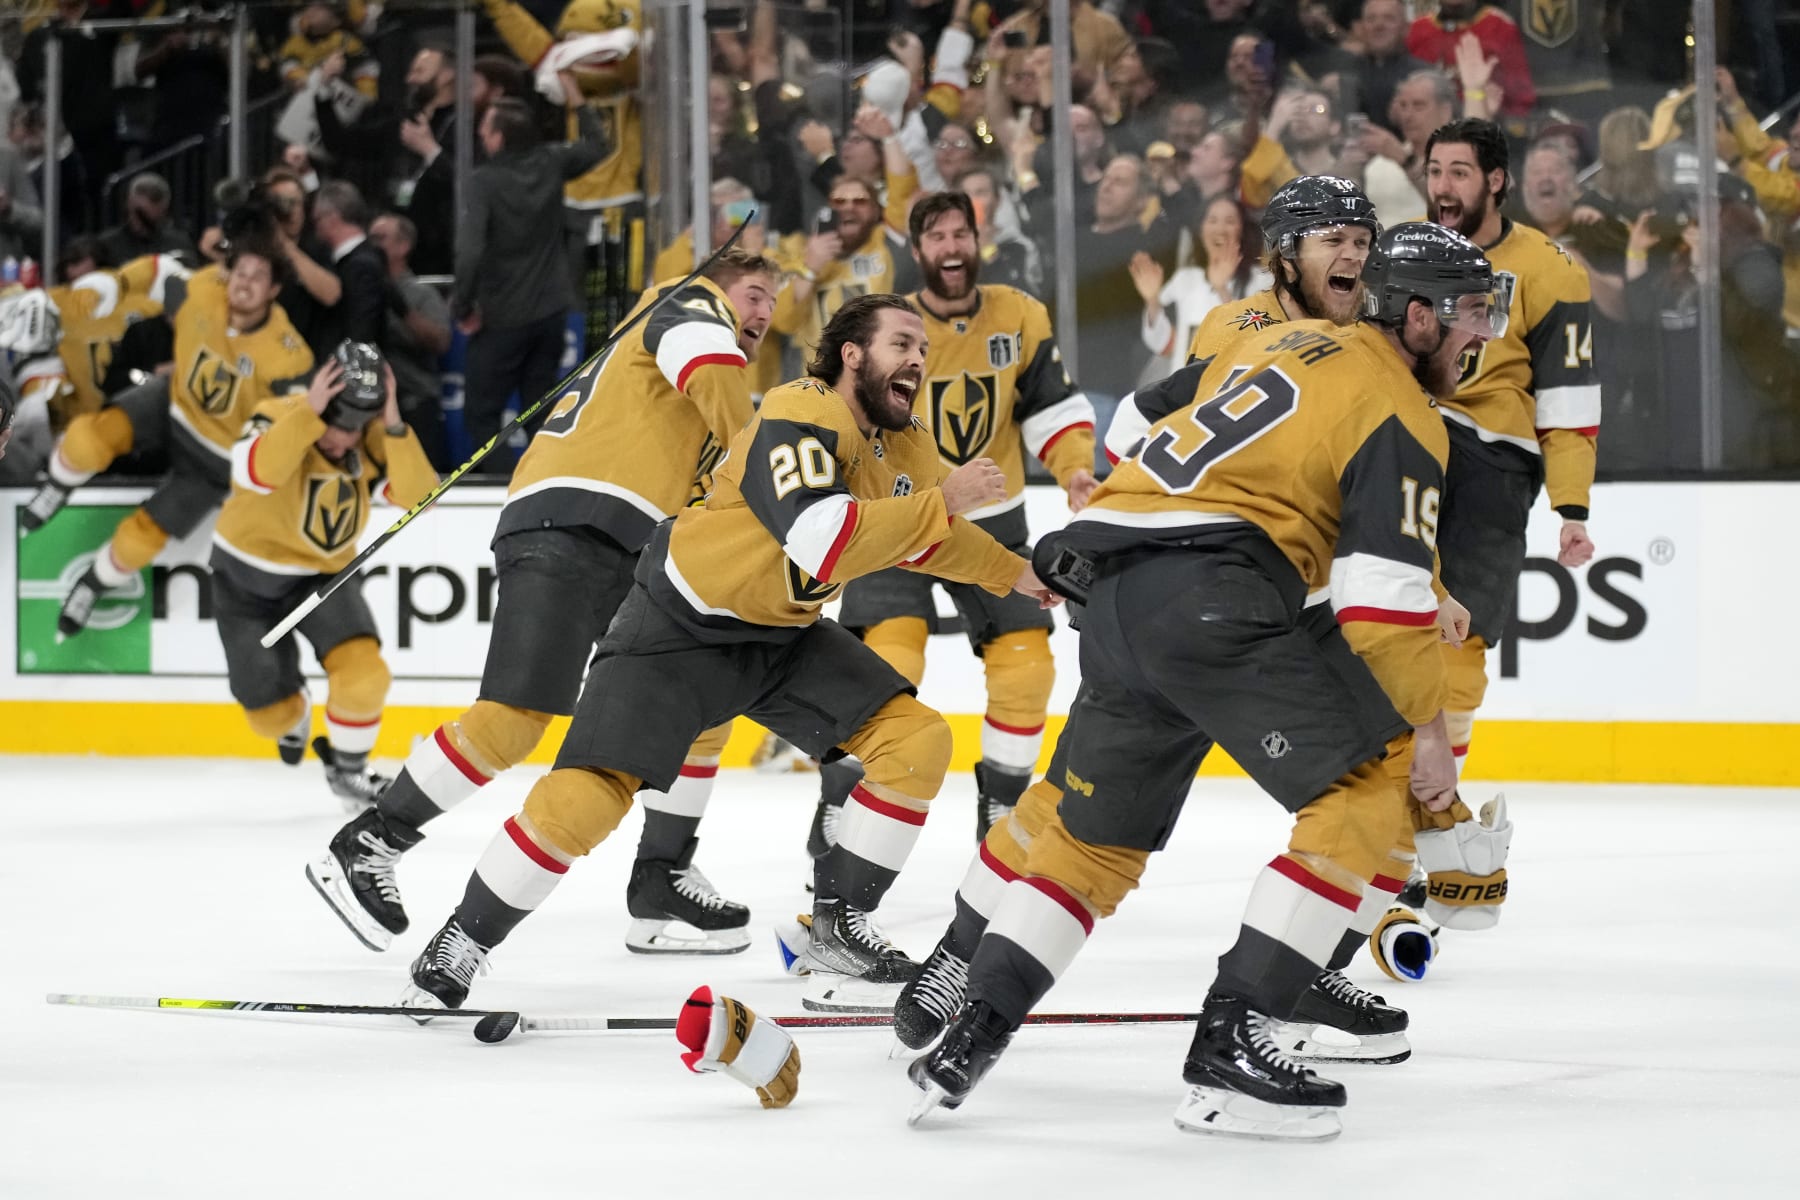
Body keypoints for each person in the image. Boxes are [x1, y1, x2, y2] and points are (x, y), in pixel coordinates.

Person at [907, 223, 1505, 1140]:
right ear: (1415, 315)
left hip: (1112, 592)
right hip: (1213, 600)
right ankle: (1236, 1041)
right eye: (1470, 312)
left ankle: (969, 1036)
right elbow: (1376, 607)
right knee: (1368, 799)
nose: (1485, 333)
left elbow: (1143, 423)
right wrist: (1431, 739)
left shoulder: (1269, 338)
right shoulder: (1403, 410)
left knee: (1092, 841)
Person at [397, 294, 1056, 1015]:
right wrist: (945, 500)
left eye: (924, 351)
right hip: (678, 628)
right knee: (587, 798)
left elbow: (926, 541)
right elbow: (821, 535)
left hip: (782, 635)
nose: (919, 362)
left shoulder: (906, 443)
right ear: (852, 355)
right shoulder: (801, 409)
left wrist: (1020, 576)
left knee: (919, 741)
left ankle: (836, 931)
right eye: (902, 344)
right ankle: (462, 938)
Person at [306, 250, 778, 956]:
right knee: (513, 721)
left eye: (774, 302)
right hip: (577, 523)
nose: (765, 312)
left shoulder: (699, 364)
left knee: (701, 698)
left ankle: (661, 879)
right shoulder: (687, 306)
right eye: (754, 292)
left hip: (627, 544)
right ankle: (370, 840)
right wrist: (781, 485)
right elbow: (717, 384)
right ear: (718, 285)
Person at [803, 192, 1095, 857]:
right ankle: (839, 800)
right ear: (917, 251)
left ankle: (1002, 808)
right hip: (900, 518)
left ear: (978, 238)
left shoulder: (1019, 315)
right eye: (937, 237)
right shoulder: (886, 325)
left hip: (994, 524)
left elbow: (1052, 407)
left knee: (1026, 667)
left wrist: (1076, 468)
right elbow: (842, 414)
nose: (952, 247)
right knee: (889, 658)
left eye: (962, 232)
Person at [1420, 117, 1596, 819]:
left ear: (1496, 180)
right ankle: (1377, 809)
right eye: (1434, 171)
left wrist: (1572, 508)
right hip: (1403, 442)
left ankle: (1430, 810)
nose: (1442, 187)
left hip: (1493, 462)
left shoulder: (1551, 270)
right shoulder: (1402, 252)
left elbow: (1570, 400)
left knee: (1458, 652)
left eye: (1459, 172)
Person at [22, 229, 314, 640]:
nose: (244, 282)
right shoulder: (206, 288)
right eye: (240, 271)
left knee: (142, 539)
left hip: (217, 459)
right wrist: (116, 284)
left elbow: (295, 425)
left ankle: (92, 584)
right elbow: (157, 272)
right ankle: (56, 486)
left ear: (274, 290)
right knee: (89, 439)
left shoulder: (288, 355)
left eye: (258, 276)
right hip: (171, 403)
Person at [211, 343, 436, 807]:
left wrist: (393, 423)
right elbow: (254, 473)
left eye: (356, 427)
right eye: (336, 423)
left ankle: (349, 773)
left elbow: (420, 497)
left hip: (322, 578)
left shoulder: (373, 437)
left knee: (365, 675)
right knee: (269, 719)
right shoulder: (277, 412)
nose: (343, 438)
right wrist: (309, 414)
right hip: (245, 583)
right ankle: (295, 712)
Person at [454, 84, 607, 458]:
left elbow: (470, 251)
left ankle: (494, 487)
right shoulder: (551, 162)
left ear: (499, 138)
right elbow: (599, 145)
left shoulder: (482, 183)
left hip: (503, 315)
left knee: (482, 414)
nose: (480, 134)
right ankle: (539, 491)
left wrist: (462, 306)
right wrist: (579, 97)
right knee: (541, 411)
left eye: (486, 128)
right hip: (551, 310)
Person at [1166, 174, 1379, 398]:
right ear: (1287, 254)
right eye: (1334, 240)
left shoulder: (1372, 343)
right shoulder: (1234, 330)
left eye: (1361, 243)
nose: (1354, 256)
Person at [770, 176, 916, 368]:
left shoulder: (884, 244)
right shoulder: (804, 256)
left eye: (860, 201)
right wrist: (811, 267)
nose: (849, 208)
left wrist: (889, 143)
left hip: (878, 375)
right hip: (822, 384)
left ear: (875, 211)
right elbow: (784, 321)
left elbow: (901, 189)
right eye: (839, 202)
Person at [1129, 193, 1272, 376]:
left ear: (1242, 230)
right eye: (1212, 221)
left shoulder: (1263, 280)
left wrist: (1222, 291)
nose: (1220, 229)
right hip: (1187, 392)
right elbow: (1163, 344)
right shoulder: (1185, 278)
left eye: (1229, 221)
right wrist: (1152, 300)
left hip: (1234, 388)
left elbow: (1259, 339)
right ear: (1201, 230)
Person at [369, 213, 451, 469]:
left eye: (380, 238)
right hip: (369, 410)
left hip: (414, 405)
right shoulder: (362, 291)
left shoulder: (421, 294)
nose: (372, 245)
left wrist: (403, 311)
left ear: (403, 246)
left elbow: (441, 341)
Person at [96, 173, 199, 266]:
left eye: (144, 216)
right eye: (135, 212)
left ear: (163, 210)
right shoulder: (108, 245)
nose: (137, 221)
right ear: (128, 204)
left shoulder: (178, 243)